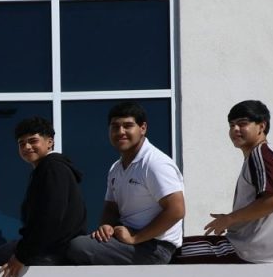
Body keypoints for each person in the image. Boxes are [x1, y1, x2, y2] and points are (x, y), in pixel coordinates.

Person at [64, 101, 185, 265]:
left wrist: (135, 238)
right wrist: (106, 226)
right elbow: (111, 208)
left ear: (143, 128)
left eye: (128, 126)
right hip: (126, 240)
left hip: (154, 247)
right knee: (69, 244)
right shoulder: (116, 168)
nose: (121, 132)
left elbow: (176, 210)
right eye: (115, 126)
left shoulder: (155, 163)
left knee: (76, 247)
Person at [177, 100, 273, 264]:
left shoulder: (261, 153)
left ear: (261, 126)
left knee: (168, 251)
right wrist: (231, 220)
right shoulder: (266, 155)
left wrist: (229, 219)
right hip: (264, 253)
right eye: (231, 125)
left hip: (248, 251)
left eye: (242, 124)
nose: (235, 129)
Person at [0, 116, 88, 277]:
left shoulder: (53, 167)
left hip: (54, 251)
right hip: (47, 248)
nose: (27, 147)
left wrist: (22, 256)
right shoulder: (45, 169)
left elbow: (50, 217)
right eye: (21, 143)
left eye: (33, 141)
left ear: (50, 142)